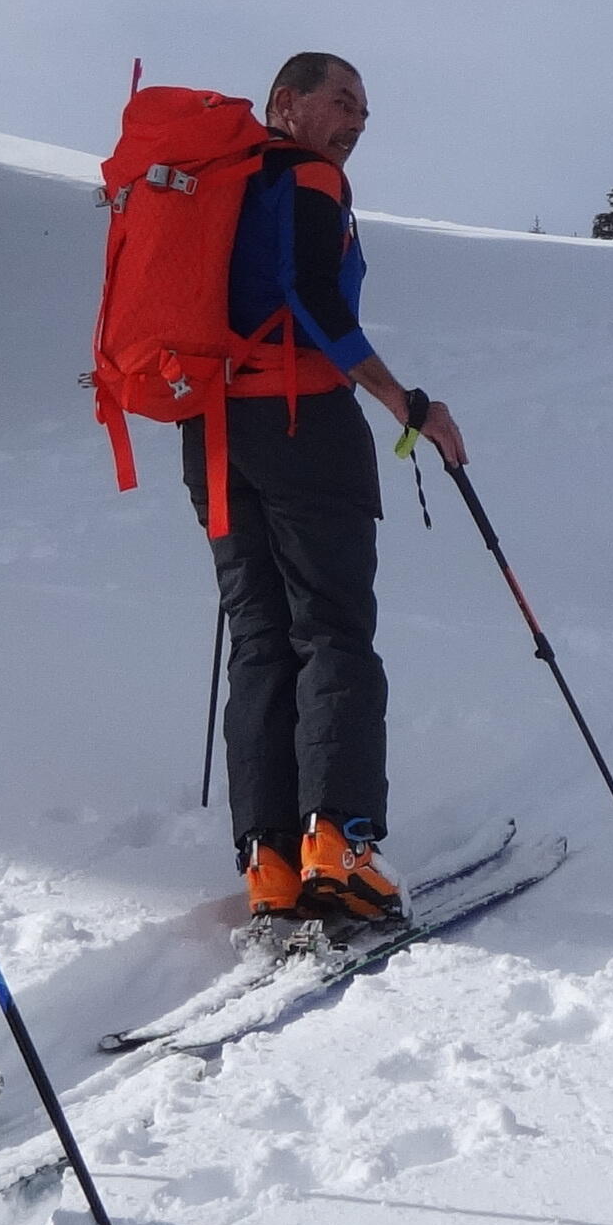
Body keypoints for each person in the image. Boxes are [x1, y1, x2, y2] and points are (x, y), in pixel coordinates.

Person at [191, 52, 468, 938]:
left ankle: (270, 861)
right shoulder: (307, 176)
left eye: (364, 112)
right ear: (286, 103)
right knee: (332, 629)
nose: (356, 122)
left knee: (261, 638)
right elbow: (312, 293)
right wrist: (404, 402)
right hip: (302, 423)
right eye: (342, 101)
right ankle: (340, 846)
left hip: (214, 434)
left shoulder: (217, 183)